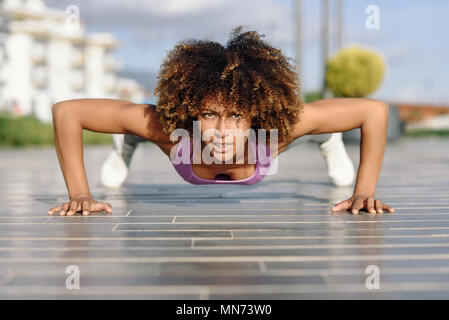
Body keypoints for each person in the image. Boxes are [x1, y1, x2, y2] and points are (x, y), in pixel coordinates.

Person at [47, 26, 394, 216]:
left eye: (237, 116)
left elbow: (374, 111)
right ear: (190, 112)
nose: (224, 132)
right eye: (210, 114)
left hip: (286, 132)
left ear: (255, 114)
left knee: (314, 126)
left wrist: (363, 192)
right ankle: (128, 141)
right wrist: (80, 194)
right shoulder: (170, 130)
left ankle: (326, 140)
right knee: (140, 125)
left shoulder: (275, 132)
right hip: (161, 131)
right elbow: (67, 112)